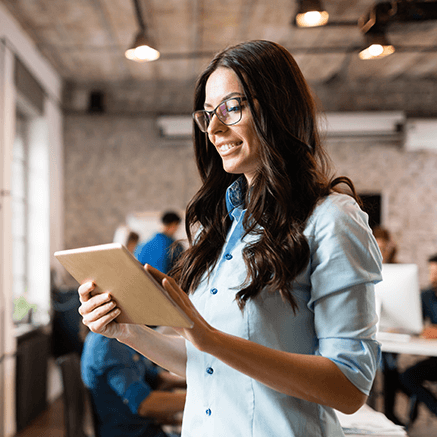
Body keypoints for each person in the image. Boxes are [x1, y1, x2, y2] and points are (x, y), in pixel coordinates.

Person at [77, 40, 382, 436]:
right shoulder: (219, 226)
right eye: (207, 115)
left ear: (277, 106)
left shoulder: (332, 220)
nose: (215, 129)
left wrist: (213, 341)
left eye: (231, 108)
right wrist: (127, 331)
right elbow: (204, 363)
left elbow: (349, 386)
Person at [81, 330, 186, 437]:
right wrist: (197, 399)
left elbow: (153, 377)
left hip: (147, 428)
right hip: (134, 433)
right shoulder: (106, 345)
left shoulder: (119, 335)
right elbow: (144, 405)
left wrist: (193, 381)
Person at [371, 226, 403, 425]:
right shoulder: (364, 266)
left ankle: (389, 413)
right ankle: (373, 413)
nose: (381, 253)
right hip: (371, 328)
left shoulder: (399, 271)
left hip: (392, 330)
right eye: (378, 247)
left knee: (389, 364)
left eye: (384, 248)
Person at [399, 254, 437, 422]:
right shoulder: (427, 295)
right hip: (435, 358)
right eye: (431, 272)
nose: (433, 277)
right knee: (407, 376)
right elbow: (415, 323)